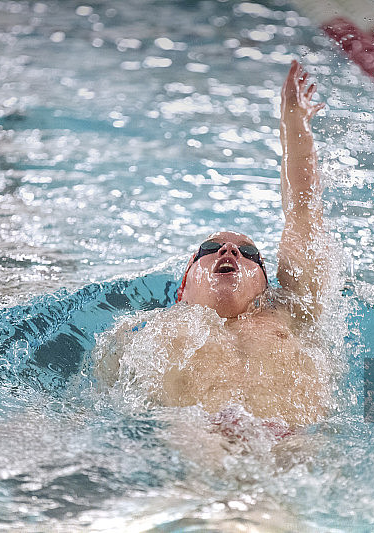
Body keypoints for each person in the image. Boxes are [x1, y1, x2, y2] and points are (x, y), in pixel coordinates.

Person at [95, 60, 333, 429]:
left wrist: (293, 122)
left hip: (295, 442)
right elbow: (98, 406)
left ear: (267, 284)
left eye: (248, 253)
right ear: (183, 286)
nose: (229, 251)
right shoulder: (138, 333)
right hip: (200, 443)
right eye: (210, 248)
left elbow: (303, 210)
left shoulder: (290, 311)